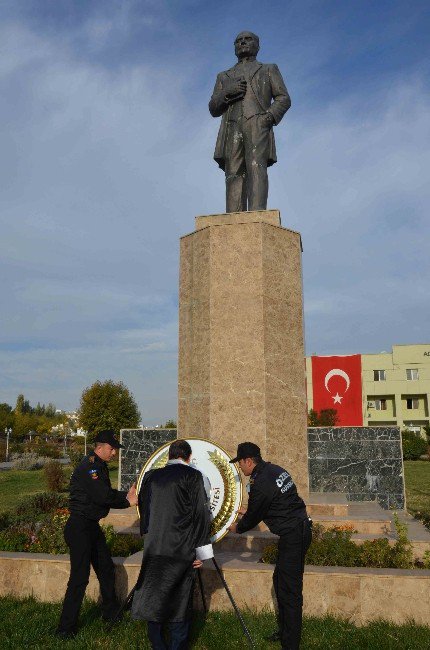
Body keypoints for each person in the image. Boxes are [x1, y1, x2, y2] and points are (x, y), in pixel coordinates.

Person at [228, 442, 311, 650]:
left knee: (290, 591)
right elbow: (272, 503)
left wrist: (237, 528)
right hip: (296, 530)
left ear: (248, 461)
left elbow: (255, 515)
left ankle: (290, 644)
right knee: (280, 581)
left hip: (294, 534)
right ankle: (285, 631)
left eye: (240, 463)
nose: (240, 468)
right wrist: (250, 510)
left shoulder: (261, 481)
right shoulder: (274, 470)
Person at [55, 429, 138, 639]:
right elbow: (102, 496)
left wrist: (125, 496)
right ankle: (65, 628)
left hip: (90, 526)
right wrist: (127, 501)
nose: (114, 453)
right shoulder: (90, 467)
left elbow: (105, 493)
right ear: (99, 447)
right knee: (79, 578)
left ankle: (111, 612)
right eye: (111, 449)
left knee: (106, 568)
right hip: (79, 528)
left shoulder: (98, 466)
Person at [131, 439, 213, 650]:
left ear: (169, 456)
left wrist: (148, 538)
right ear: (188, 457)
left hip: (154, 548)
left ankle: (157, 644)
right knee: (180, 600)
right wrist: (202, 554)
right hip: (181, 548)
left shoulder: (150, 476)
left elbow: (144, 512)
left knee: (154, 594)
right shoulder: (194, 476)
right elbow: (201, 515)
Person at [209, 31, 291, 213]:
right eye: (238, 41)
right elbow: (213, 108)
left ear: (258, 46)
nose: (242, 42)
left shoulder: (268, 69)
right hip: (232, 125)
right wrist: (226, 92)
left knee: (256, 167)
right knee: (233, 172)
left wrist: (268, 118)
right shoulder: (224, 76)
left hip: (257, 122)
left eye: (248, 39)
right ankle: (233, 217)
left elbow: (283, 98)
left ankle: (257, 214)